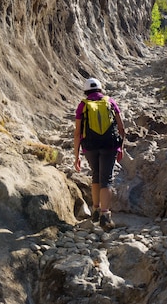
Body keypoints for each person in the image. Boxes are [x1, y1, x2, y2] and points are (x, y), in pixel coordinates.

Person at [73, 78, 125, 230]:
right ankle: (105, 215)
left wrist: (76, 156)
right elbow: (121, 128)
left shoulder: (83, 105)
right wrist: (121, 147)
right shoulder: (110, 102)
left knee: (95, 175)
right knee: (106, 179)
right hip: (110, 145)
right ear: (101, 89)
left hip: (90, 146)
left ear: (86, 90)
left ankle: (95, 210)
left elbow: (77, 133)